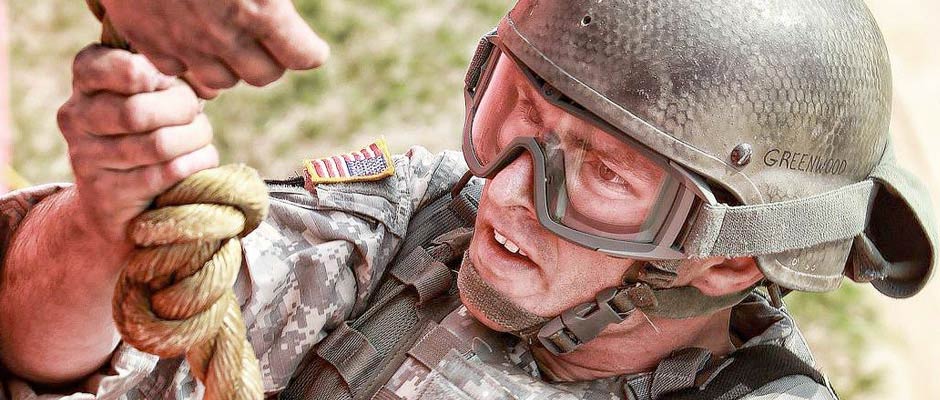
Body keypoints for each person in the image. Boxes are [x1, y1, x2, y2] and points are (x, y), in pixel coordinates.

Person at [0, 0, 935, 399]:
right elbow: (72, 342)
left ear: (726, 257)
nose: (507, 193)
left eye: (600, 176)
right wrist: (102, 226)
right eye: (512, 114)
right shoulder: (417, 224)